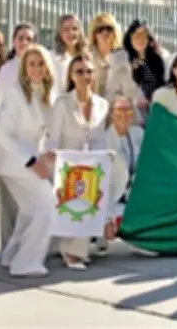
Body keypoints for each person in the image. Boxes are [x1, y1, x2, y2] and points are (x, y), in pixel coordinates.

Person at [46, 52, 119, 270]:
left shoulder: (102, 104)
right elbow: (53, 138)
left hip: (91, 164)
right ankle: (72, 251)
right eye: (79, 71)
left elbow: (100, 137)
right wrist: (53, 155)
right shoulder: (62, 103)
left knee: (108, 181)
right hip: (66, 164)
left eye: (89, 71)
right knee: (76, 201)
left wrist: (106, 155)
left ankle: (85, 244)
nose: (85, 76)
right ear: (71, 75)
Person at [0, 44, 56, 277]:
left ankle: (11, 256)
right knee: (48, 205)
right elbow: (3, 135)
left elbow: (44, 132)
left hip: (30, 159)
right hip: (14, 162)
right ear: (24, 68)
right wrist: (32, 162)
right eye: (31, 64)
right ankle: (27, 262)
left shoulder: (45, 93)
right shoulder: (15, 93)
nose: (37, 68)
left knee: (31, 210)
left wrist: (47, 153)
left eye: (41, 64)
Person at [0, 22, 37, 250]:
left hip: (32, 144)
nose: (24, 42)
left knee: (28, 203)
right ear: (13, 41)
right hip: (10, 142)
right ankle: (7, 248)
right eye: (21, 38)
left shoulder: (39, 66)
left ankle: (24, 247)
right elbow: (1, 106)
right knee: (9, 202)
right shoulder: (7, 70)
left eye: (29, 38)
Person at [86, 13, 122, 96]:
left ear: (114, 32)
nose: (105, 32)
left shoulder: (122, 56)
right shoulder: (87, 57)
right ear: (94, 33)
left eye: (109, 28)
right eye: (100, 29)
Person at [50, 14, 87, 94]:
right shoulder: (51, 57)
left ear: (80, 32)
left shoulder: (87, 56)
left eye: (75, 29)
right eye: (66, 29)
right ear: (59, 33)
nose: (71, 33)